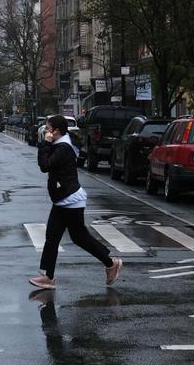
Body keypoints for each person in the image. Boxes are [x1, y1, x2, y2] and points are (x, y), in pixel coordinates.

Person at [29, 115, 122, 289]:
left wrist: (46, 144)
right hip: (63, 199)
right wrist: (48, 144)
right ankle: (48, 276)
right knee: (53, 237)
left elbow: (45, 165)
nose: (46, 132)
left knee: (79, 237)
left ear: (56, 131)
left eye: (48, 129)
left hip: (70, 199)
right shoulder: (61, 145)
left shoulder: (62, 147)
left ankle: (111, 263)